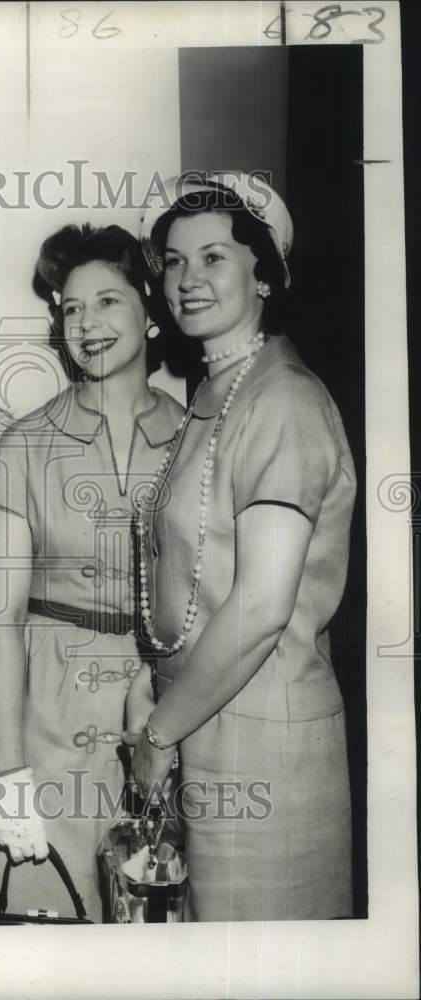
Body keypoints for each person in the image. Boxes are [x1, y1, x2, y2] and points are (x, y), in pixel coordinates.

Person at [126, 173, 356, 921]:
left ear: (264, 274)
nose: (187, 278)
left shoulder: (281, 397)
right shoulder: (218, 392)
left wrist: (160, 732)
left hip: (263, 742)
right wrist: (155, 685)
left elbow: (260, 604)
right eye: (172, 259)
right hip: (204, 714)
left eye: (214, 257)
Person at [0, 224, 184, 920]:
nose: (86, 324)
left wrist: (158, 700)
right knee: (45, 932)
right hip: (47, 705)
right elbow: (1, 619)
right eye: (70, 308)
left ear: (151, 311)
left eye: (107, 302)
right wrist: (7, 774)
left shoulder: (197, 441)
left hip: (165, 707)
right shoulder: (25, 444)